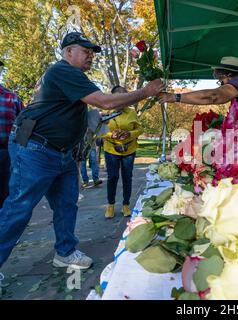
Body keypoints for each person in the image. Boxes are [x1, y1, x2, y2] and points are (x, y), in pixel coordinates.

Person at [0, 32, 164, 271]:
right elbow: (105, 101)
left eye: (92, 54)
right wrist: (144, 92)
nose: (90, 57)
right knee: (19, 207)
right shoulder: (63, 71)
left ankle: (65, 252)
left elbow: (83, 113)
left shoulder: (73, 79)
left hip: (61, 152)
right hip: (36, 148)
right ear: (68, 52)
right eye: (85, 52)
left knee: (67, 203)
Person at [102, 85, 143, 219]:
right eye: (117, 98)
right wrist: (110, 135)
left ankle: (126, 205)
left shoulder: (131, 112)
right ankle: (110, 206)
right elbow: (98, 132)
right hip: (111, 150)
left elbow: (140, 130)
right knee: (112, 177)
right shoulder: (106, 112)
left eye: (123, 99)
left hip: (129, 150)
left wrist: (129, 133)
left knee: (127, 177)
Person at [157, 56, 238, 106]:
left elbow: (213, 96)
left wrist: (174, 97)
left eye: (221, 80)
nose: (222, 84)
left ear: (229, 75)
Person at [0, 60, 24, 208]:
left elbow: (27, 124)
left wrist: (19, 151)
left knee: (6, 195)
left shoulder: (11, 98)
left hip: (6, 155)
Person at [79, 108, 102, 188]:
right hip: (81, 146)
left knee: (94, 161)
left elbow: (97, 130)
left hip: (91, 145)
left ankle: (96, 179)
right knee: (82, 163)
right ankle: (85, 180)